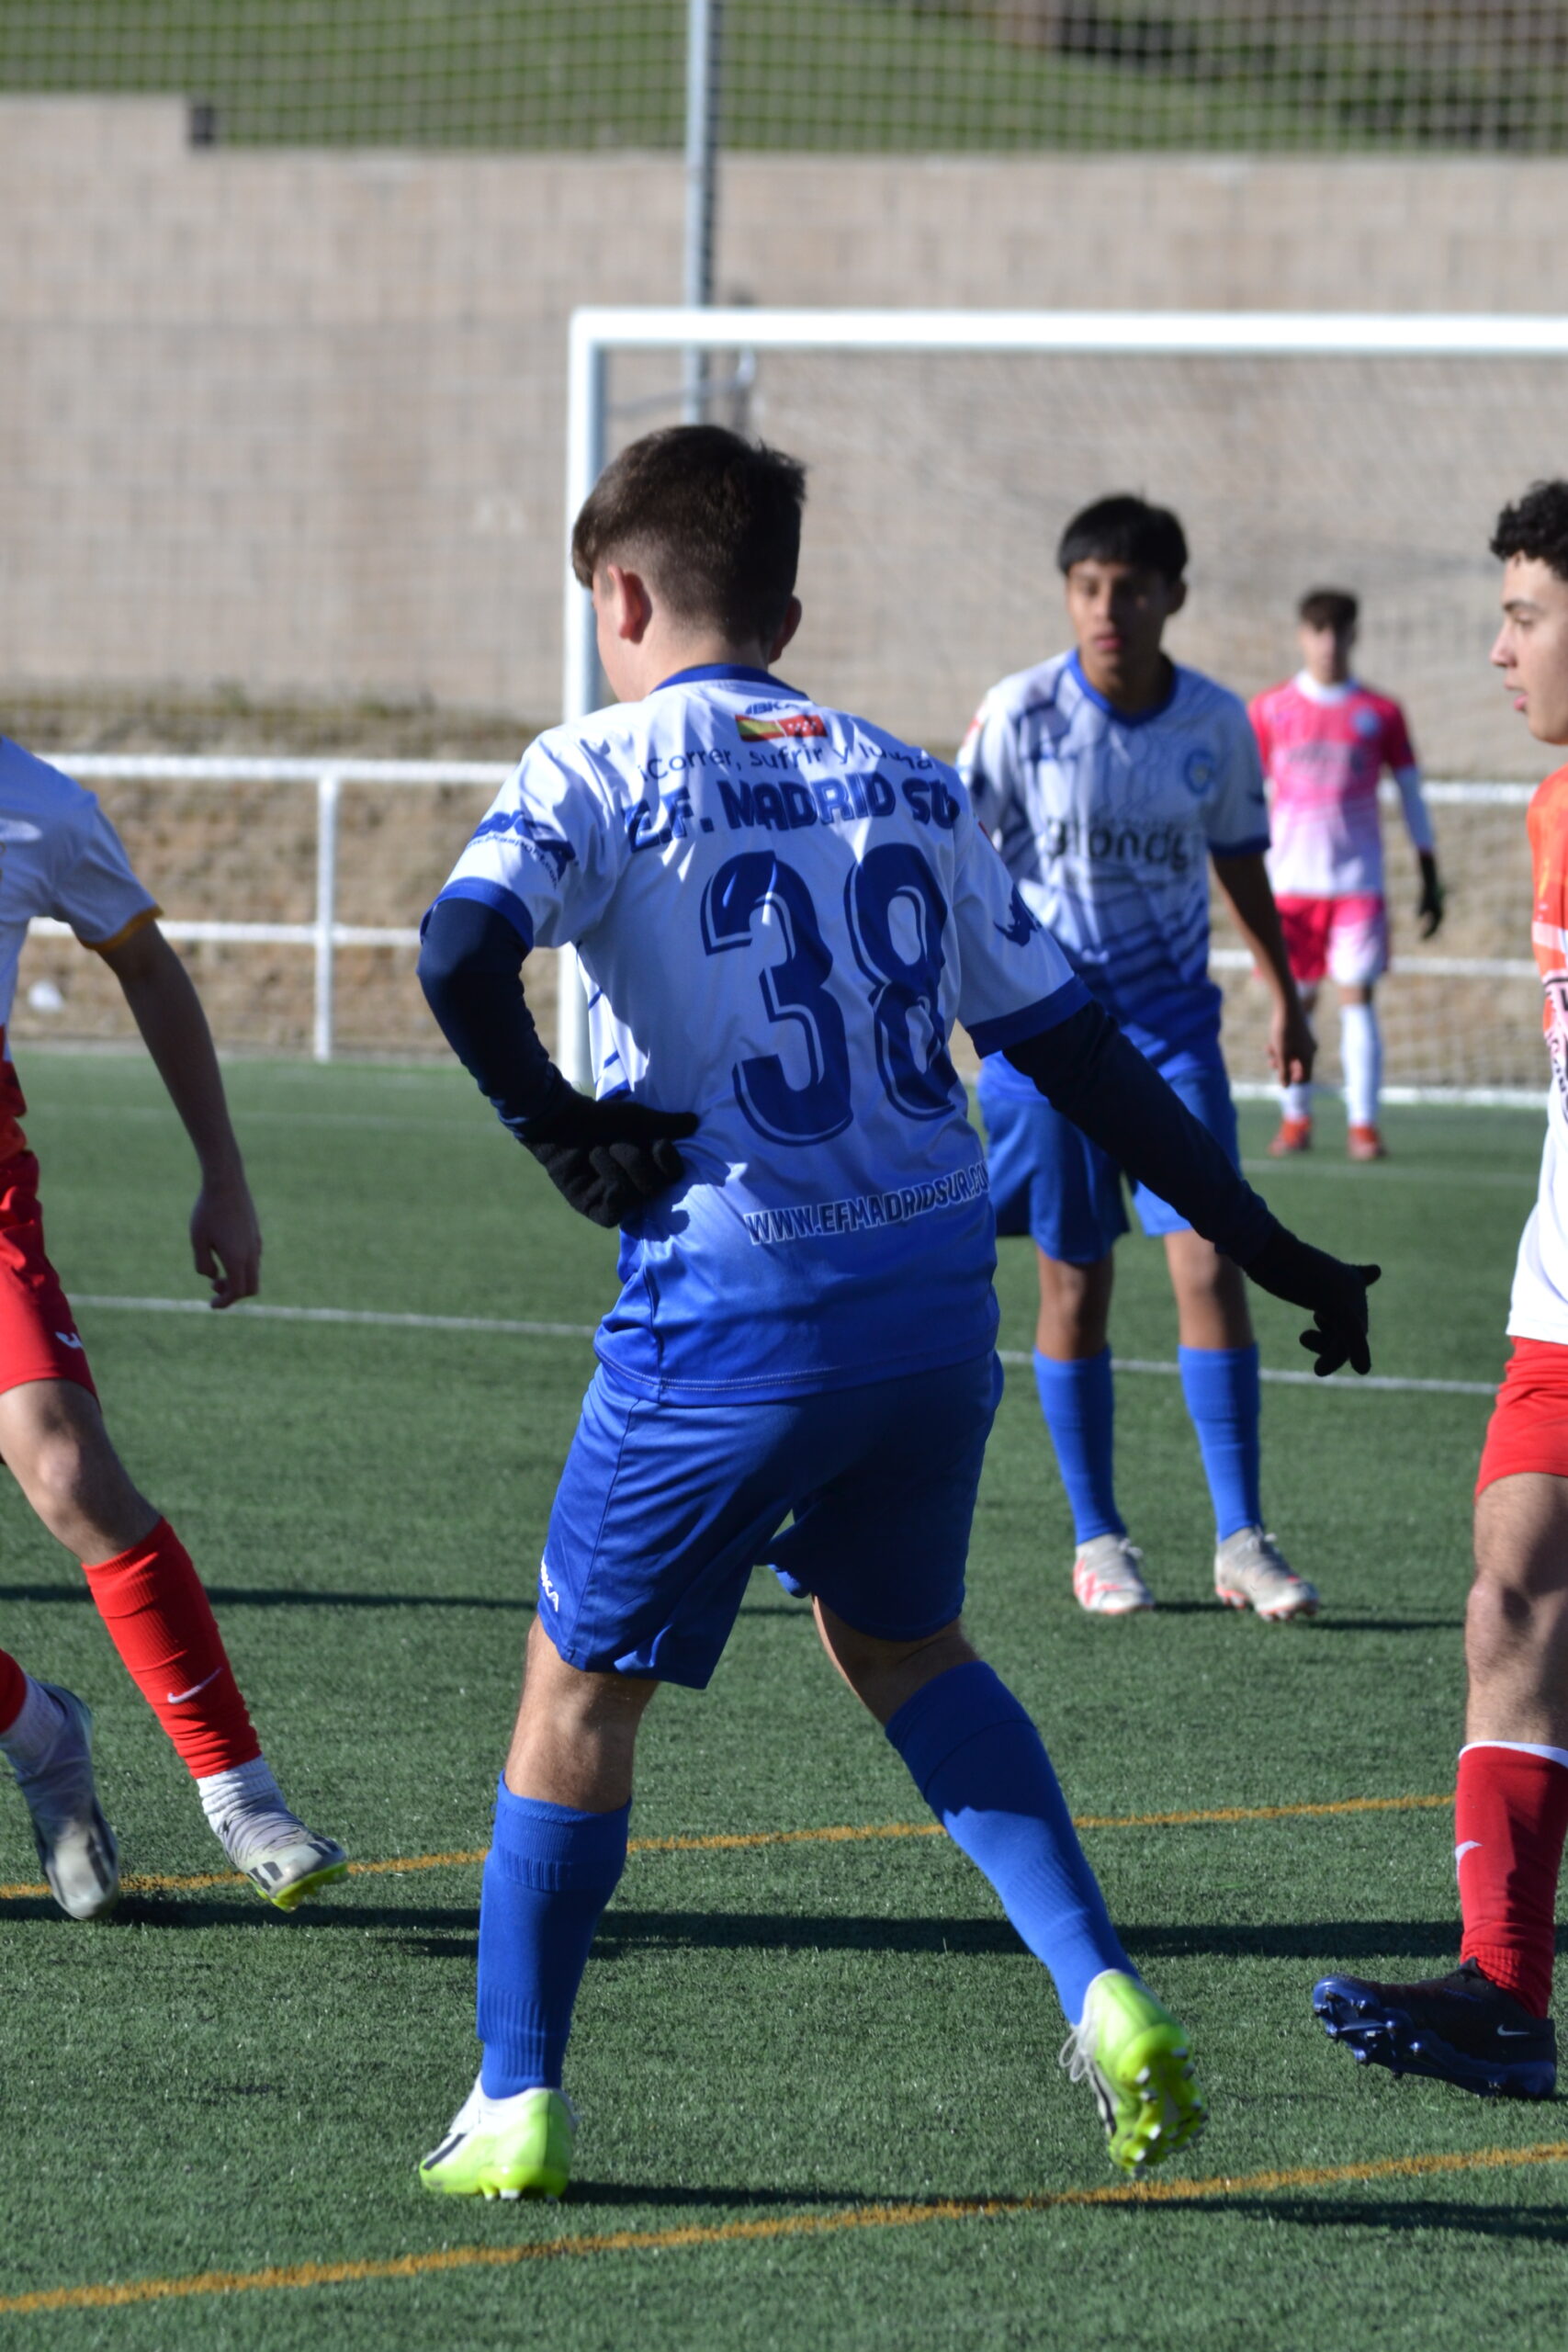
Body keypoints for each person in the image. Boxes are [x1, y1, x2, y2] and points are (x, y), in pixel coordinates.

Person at [415, 424, 1378, 2200]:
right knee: (906, 1648)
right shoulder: (906, 779)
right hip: (933, 1312)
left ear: (618, 597)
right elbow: (1078, 1049)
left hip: (730, 1312)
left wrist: (555, 1130)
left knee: (576, 1692)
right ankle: (1099, 1992)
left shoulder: (594, 763)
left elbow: (457, 953)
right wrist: (1269, 1242)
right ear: (785, 615)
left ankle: (513, 2099)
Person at [1313, 482, 1568, 2099]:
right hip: (1559, 1301)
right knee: (1508, 1593)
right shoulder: (1551, 815)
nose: (1496, 649)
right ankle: (1501, 1993)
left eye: (1524, 616)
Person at [0, 735, 346, 1919]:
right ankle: (40, 1733)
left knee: (68, 1470)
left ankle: (245, 1799)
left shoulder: (40, 806)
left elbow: (146, 965)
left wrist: (224, 1175)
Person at [957, 496, 1318, 1621]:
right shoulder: (1017, 715)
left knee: (1212, 1260)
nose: (1108, 608)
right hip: (1048, 1035)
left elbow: (1241, 862)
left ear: (1174, 596)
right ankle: (1098, 1538)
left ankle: (1242, 1538)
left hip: (1170, 1032)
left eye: (1130, 588)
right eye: (1088, 588)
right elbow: (952, 859)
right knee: (1074, 1280)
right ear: (1070, 596)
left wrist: (1285, 993)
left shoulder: (1215, 722)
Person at [1251, 589, 1442, 1163]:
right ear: (1302, 635)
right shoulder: (1269, 710)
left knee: (1356, 999)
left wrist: (1429, 869)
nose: (1328, 643)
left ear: (1354, 635)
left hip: (1357, 886)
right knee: (1295, 1003)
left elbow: (1410, 793)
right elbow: (1247, 799)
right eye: (1318, 630)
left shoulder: (1380, 712)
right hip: (1290, 888)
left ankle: (1364, 1127)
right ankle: (1296, 1120)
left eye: (1338, 630)